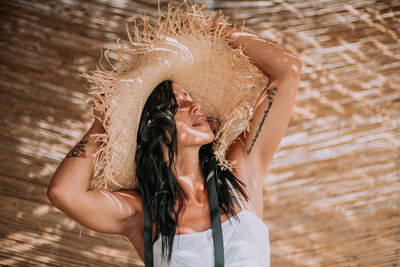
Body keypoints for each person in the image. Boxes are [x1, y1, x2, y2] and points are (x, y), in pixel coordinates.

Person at [47, 6, 302, 267]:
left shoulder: (241, 173)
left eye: (190, 98)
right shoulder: (144, 214)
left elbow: (288, 70)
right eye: (176, 106)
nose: (194, 107)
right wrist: (104, 122)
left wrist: (216, 29)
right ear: (154, 131)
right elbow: (64, 193)